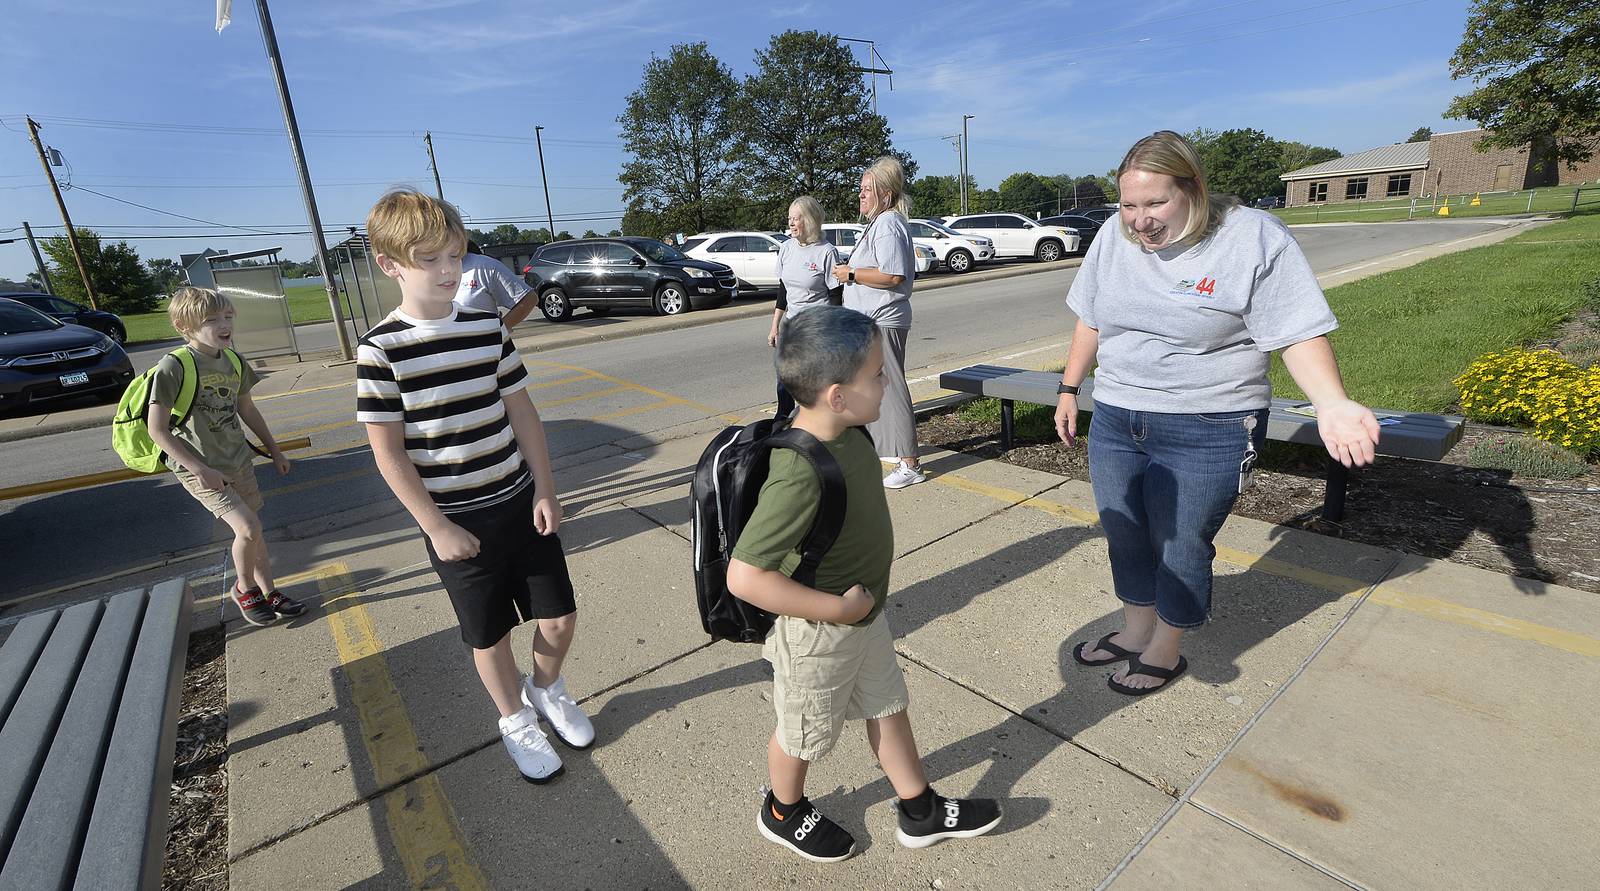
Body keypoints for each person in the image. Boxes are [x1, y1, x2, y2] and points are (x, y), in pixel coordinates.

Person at [1055, 131, 1380, 696]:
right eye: (1129, 206)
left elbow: (1296, 331)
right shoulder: (1115, 235)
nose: (1140, 221)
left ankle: (1166, 647)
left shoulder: (1252, 237)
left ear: (1194, 189)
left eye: (1155, 204)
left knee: (1181, 542)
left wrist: (1332, 403)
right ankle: (1136, 631)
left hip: (1209, 421)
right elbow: (1092, 318)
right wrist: (1068, 387)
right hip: (1117, 415)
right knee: (1125, 531)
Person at [728, 305, 1001, 863]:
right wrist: (835, 609)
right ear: (836, 395)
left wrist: (855, 612)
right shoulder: (799, 471)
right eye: (877, 375)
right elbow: (745, 576)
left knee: (887, 708)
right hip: (819, 633)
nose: (888, 382)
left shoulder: (850, 433)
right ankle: (781, 810)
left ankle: (920, 810)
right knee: (800, 733)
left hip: (862, 617)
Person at [356, 189, 592, 783]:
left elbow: (524, 414)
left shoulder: (488, 327)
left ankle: (547, 690)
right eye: (430, 259)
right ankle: (513, 719)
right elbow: (388, 455)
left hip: (518, 499)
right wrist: (436, 527)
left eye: (455, 257)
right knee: (489, 635)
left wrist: (545, 488)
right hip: (457, 520)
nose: (447, 271)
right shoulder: (380, 350)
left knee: (558, 618)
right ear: (391, 265)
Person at [147, 287, 303, 626]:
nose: (224, 325)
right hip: (200, 466)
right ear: (182, 325)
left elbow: (247, 408)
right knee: (247, 528)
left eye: (228, 317)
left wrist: (274, 450)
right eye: (211, 320)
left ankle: (269, 592)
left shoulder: (233, 360)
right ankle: (244, 589)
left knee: (255, 531)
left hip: (237, 460)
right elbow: (157, 430)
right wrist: (198, 469)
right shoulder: (174, 367)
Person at [833, 156, 923, 488]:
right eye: (861, 189)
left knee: (893, 389)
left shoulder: (887, 224)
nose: (861, 195)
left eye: (866, 190)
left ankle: (910, 464)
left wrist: (851, 273)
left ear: (885, 194)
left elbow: (893, 274)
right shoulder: (881, 223)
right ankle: (893, 451)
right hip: (874, 320)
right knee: (877, 389)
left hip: (884, 319)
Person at [767, 196, 842, 418]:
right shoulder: (787, 248)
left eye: (796, 218)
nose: (791, 223)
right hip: (792, 327)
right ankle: (782, 421)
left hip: (816, 328)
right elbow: (783, 291)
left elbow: (836, 296)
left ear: (809, 221)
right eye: (789, 218)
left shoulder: (826, 251)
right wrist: (775, 326)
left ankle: (822, 426)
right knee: (784, 380)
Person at [457, 241, 536, 329]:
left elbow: (529, 299)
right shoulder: (440, 271)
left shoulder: (484, 265)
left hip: (484, 341)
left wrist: (500, 331)